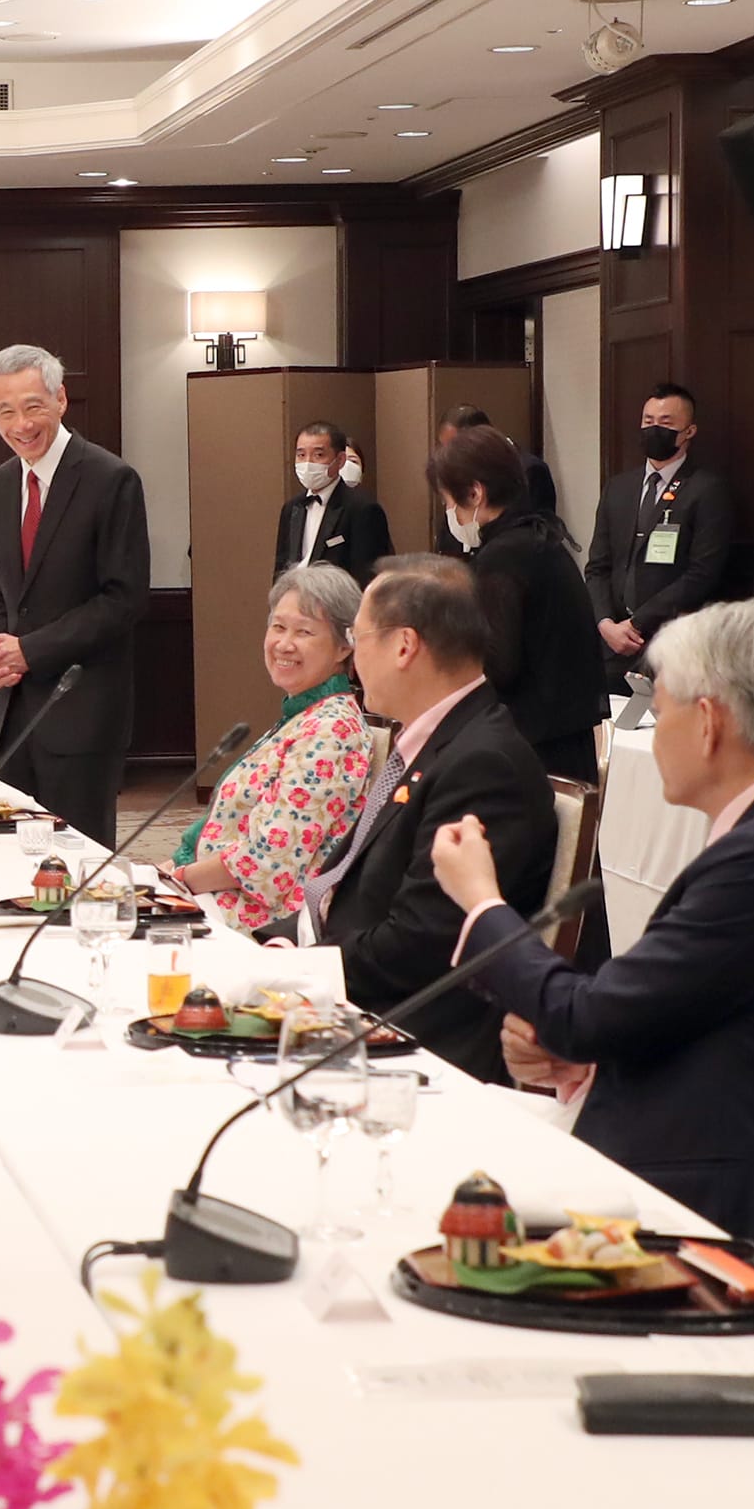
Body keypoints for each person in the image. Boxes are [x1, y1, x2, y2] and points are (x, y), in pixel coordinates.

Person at [436, 600, 754, 1292]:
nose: (654, 733)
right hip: (694, 1151)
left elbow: (586, 1016)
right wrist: (579, 1060)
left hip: (716, 1214)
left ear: (709, 722)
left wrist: (482, 902)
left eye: (664, 708)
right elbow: (673, 1014)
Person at [267, 554, 555, 1085]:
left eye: (358, 636)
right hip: (355, 996)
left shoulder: (483, 764)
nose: (352, 656)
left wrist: (297, 972)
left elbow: (423, 941)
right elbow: (345, 888)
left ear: (404, 646)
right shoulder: (429, 742)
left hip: (410, 1036)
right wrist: (276, 945)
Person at [0, 345, 150, 839]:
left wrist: (29, 651)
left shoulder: (111, 480)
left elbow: (122, 599)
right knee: (11, 861)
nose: (21, 424)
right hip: (14, 713)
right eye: (6, 412)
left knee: (75, 867)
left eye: (32, 406)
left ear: (60, 399)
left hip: (82, 713)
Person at [170, 564, 371, 931]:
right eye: (278, 627)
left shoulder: (332, 729)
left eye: (304, 632)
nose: (284, 643)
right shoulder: (303, 714)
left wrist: (178, 880)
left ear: (345, 645)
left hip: (266, 923)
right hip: (219, 898)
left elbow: (268, 863)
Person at [436, 425, 611, 782]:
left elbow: (498, 663)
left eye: (448, 501)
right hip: (561, 735)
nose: (447, 511)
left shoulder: (505, 557)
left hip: (532, 746)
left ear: (475, 493)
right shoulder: (538, 538)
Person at [587, 383, 731, 662]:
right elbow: (598, 566)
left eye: (666, 423)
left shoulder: (706, 489)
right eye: (648, 421)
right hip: (611, 641)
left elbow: (702, 572)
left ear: (689, 431)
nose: (654, 429)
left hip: (670, 639)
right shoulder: (618, 487)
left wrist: (638, 622)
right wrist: (605, 623)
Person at [273, 420, 391, 583]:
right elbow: (281, 569)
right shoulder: (292, 508)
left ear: (340, 460)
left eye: (319, 455)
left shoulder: (362, 509)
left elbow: (368, 576)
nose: (308, 463)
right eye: (301, 455)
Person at [445, 403, 557, 530]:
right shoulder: (467, 470)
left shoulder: (531, 470)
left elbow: (540, 530)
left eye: (455, 447)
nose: (449, 455)